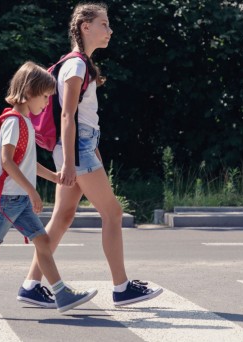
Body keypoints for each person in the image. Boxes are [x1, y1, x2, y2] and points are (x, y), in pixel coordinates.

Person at [17, 2, 163, 308]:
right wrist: (71, 162)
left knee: (63, 216)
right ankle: (122, 287)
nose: (109, 30)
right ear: (86, 26)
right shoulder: (77, 65)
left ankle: (31, 285)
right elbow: (67, 116)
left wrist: (87, 151)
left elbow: (81, 118)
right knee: (112, 213)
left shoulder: (79, 64)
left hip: (81, 147)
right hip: (76, 149)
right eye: (104, 24)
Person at [0, 62, 98, 316]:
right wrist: (32, 191)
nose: (46, 104)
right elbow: (8, 162)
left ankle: (61, 294)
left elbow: (26, 162)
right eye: (44, 97)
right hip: (9, 198)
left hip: (16, 198)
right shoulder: (13, 122)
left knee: (42, 241)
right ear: (29, 92)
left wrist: (53, 176)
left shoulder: (24, 122)